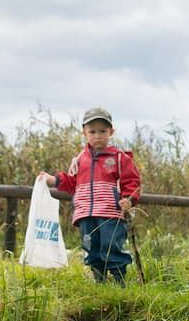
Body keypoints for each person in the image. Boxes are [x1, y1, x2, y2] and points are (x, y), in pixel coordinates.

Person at [40, 107, 141, 286]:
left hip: (110, 213)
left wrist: (129, 199)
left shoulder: (119, 158)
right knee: (91, 247)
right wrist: (53, 180)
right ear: (84, 133)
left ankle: (119, 281)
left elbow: (131, 181)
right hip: (85, 213)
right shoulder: (80, 160)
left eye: (102, 131)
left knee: (111, 246)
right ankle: (99, 281)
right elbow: (71, 182)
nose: (97, 136)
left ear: (111, 132)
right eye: (92, 132)